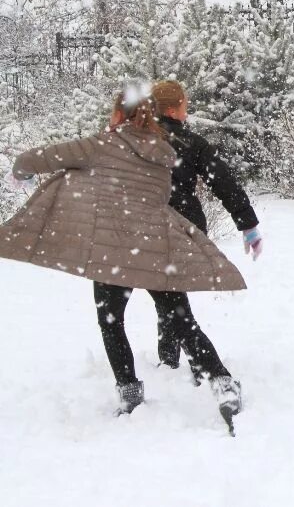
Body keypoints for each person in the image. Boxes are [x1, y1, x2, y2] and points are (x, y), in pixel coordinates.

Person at [0, 92, 247, 433]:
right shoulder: (165, 154)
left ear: (118, 115)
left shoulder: (100, 144)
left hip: (111, 254)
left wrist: (22, 174)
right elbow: (155, 199)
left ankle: (130, 393)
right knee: (182, 322)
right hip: (154, 251)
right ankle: (222, 382)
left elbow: (35, 158)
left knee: (111, 322)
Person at [150, 80, 263, 371]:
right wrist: (247, 224)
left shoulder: (138, 140)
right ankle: (199, 364)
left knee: (165, 288)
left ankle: (170, 359)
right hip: (185, 221)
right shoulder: (191, 143)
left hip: (146, 221)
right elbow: (224, 182)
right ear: (175, 109)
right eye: (185, 104)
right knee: (170, 289)